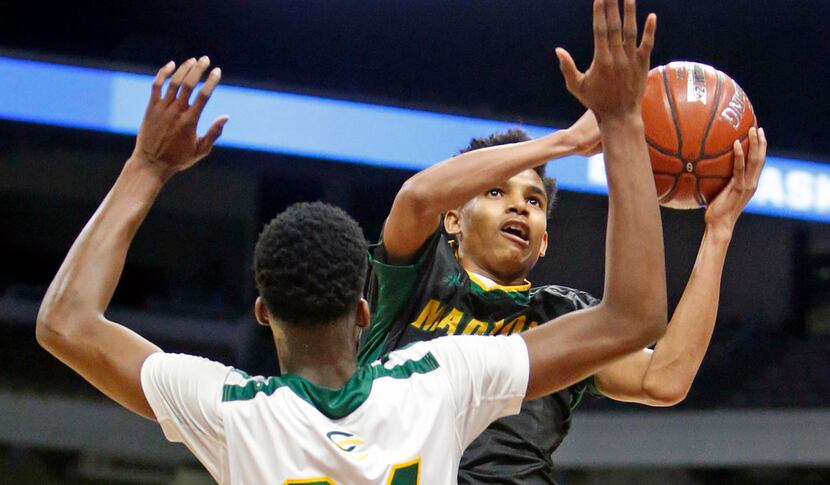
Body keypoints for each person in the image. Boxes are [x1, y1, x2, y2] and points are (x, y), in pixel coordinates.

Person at [36, 1, 670, 482]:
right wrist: (620, 123)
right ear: (364, 309)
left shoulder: (231, 408)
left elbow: (65, 321)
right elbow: (632, 315)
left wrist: (146, 165)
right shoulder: (439, 379)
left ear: (264, 311)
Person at [358, 1, 768, 483]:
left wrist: (718, 232)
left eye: (533, 202)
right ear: (452, 220)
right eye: (496, 193)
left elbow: (665, 379)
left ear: (545, 241)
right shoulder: (411, 281)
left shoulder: (563, 317)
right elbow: (415, 198)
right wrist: (567, 142)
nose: (519, 207)